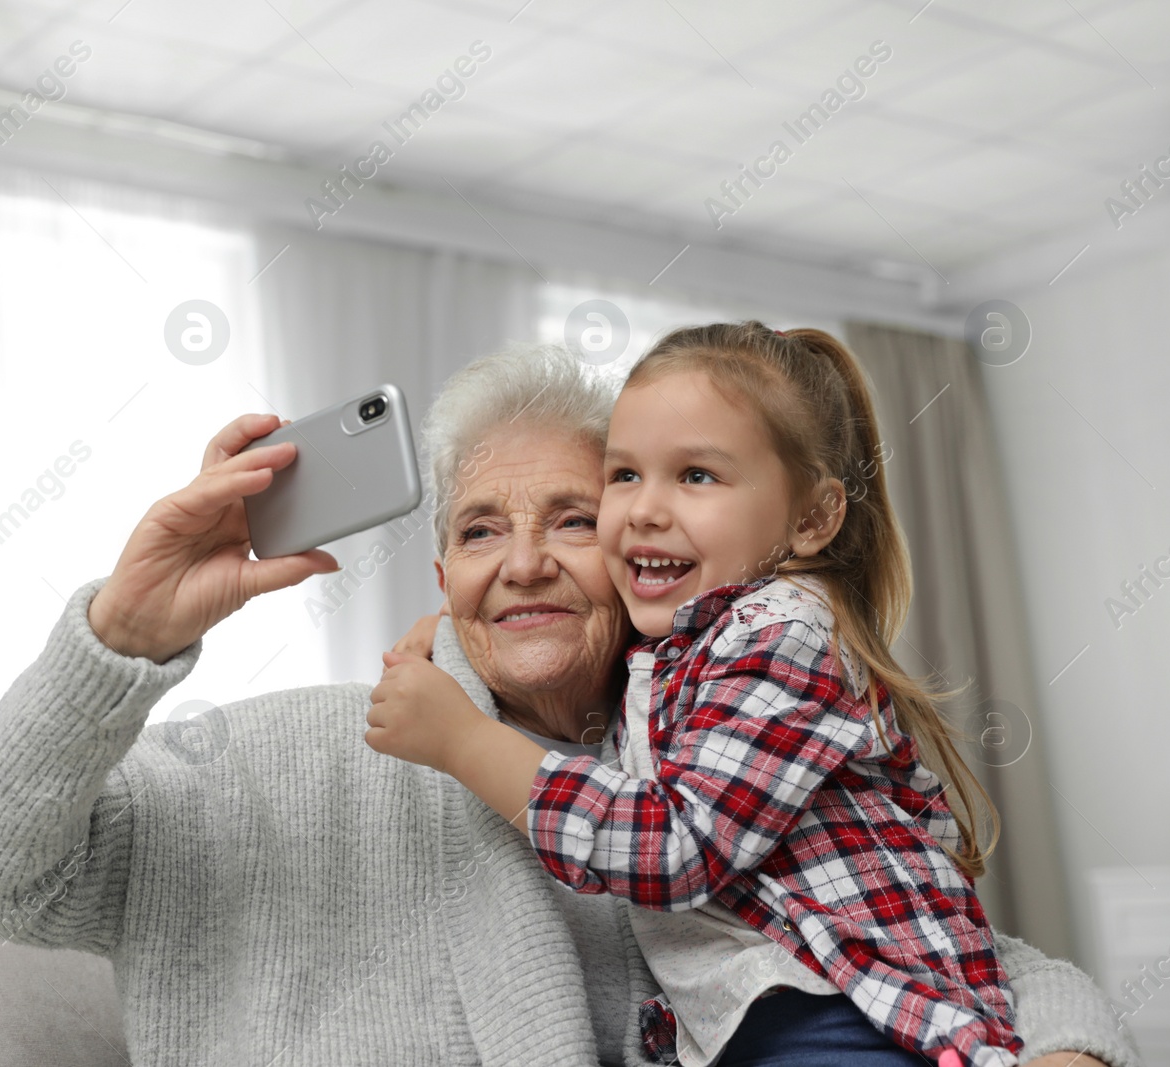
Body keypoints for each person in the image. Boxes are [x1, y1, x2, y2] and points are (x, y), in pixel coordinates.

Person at [0, 341, 1135, 1067]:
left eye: (572, 519)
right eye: (478, 529)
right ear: (440, 573)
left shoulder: (696, 755)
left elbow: (918, 931)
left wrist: (1066, 1042)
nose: (525, 561)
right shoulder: (281, 751)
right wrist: (123, 636)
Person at [366, 325, 1029, 1067]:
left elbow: (672, 847)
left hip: (842, 1021)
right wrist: (456, 632)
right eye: (625, 476)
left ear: (811, 519)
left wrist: (465, 740)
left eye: (696, 476)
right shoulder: (680, 650)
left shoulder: (777, 638)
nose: (647, 510)